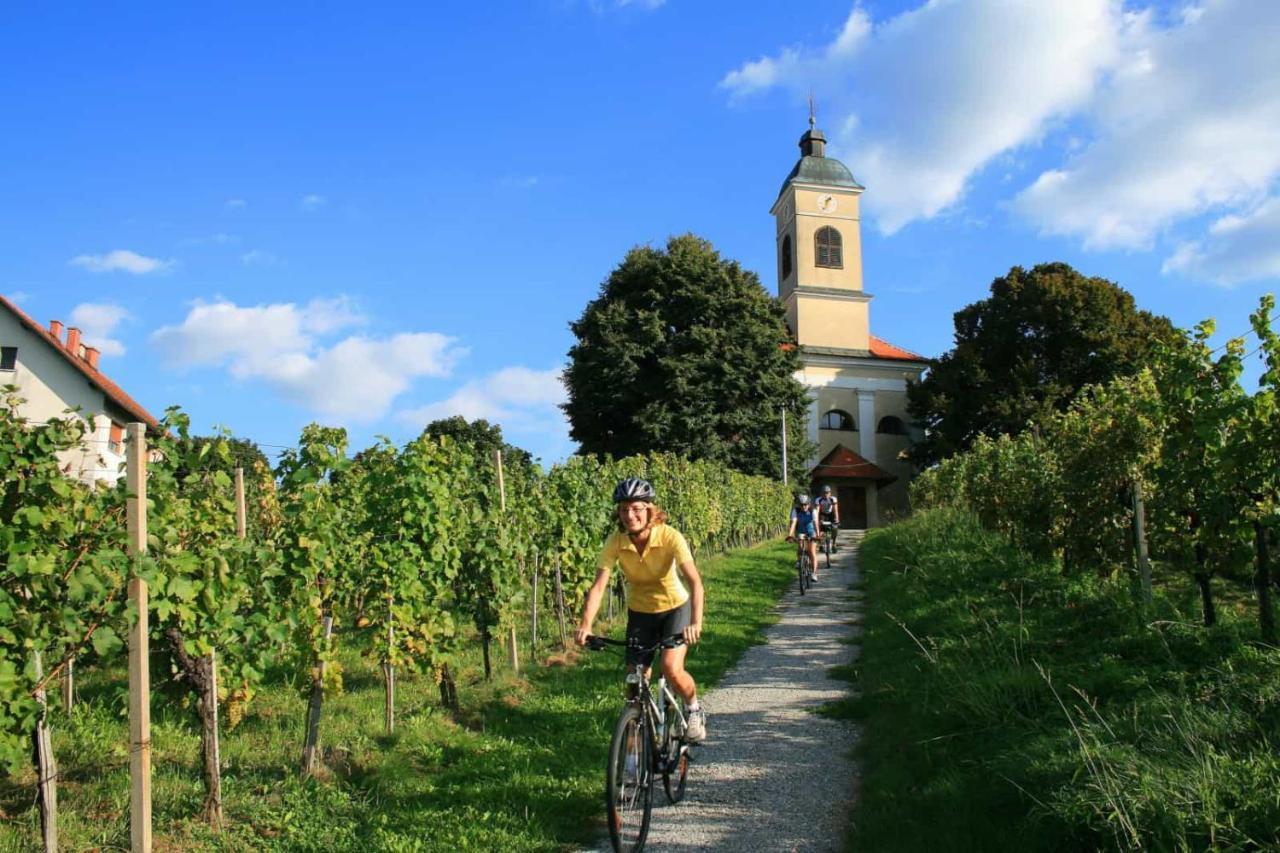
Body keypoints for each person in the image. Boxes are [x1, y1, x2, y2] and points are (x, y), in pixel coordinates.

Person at [575, 477, 708, 743]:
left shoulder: (670, 536)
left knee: (671, 668)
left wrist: (695, 623)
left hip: (674, 609)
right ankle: (634, 756)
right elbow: (599, 586)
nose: (630, 515)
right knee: (634, 682)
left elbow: (695, 582)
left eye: (636, 508)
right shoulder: (616, 541)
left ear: (650, 510)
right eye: (624, 510)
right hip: (640, 613)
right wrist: (586, 625)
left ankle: (694, 708)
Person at [787, 493, 820, 582]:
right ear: (799, 505)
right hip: (801, 531)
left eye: (805, 504)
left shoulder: (813, 510)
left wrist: (817, 535)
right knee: (800, 547)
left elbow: (815, 523)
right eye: (802, 505)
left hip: (811, 531)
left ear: (809, 504)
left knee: (812, 551)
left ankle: (814, 573)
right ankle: (799, 561)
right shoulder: (796, 511)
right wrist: (790, 535)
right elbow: (793, 523)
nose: (804, 506)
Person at [816, 485, 840, 549]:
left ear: (830, 493)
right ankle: (821, 543)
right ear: (822, 493)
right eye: (824, 493)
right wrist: (816, 520)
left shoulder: (833, 499)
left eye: (827, 493)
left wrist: (837, 519)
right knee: (820, 527)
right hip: (822, 514)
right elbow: (817, 511)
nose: (825, 494)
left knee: (835, 528)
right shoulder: (818, 499)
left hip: (831, 514)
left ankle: (834, 543)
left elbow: (835, 510)